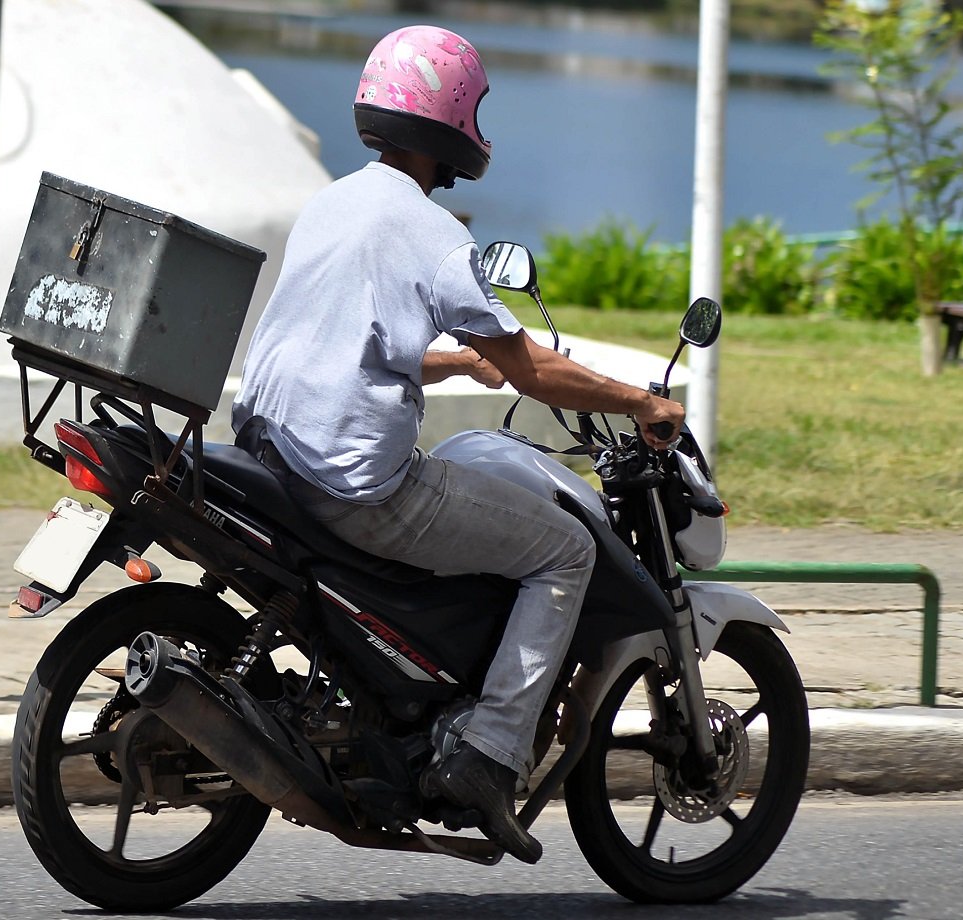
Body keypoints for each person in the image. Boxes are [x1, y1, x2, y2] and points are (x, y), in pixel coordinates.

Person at [231, 25, 685, 864]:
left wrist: (453, 360)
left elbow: (357, 341)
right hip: (354, 481)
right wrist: (639, 400)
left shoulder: (336, 200)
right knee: (564, 551)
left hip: (273, 449)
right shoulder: (433, 232)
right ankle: (488, 755)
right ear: (453, 119)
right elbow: (536, 373)